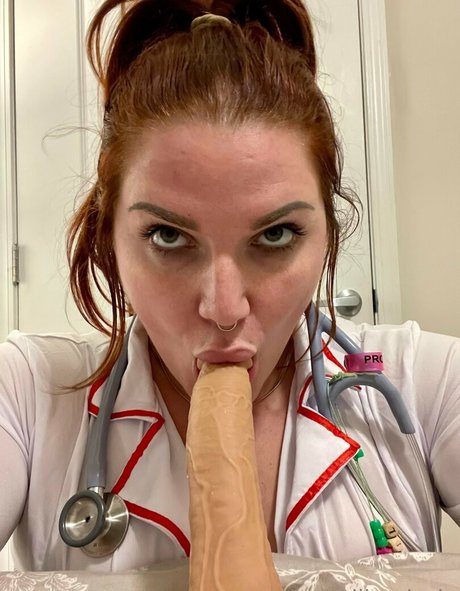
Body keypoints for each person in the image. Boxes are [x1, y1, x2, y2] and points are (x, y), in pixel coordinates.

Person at [0, 0, 459, 574]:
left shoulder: (427, 382)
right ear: (108, 238)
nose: (223, 308)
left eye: (276, 235)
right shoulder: (29, 396)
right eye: (168, 236)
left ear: (327, 233)